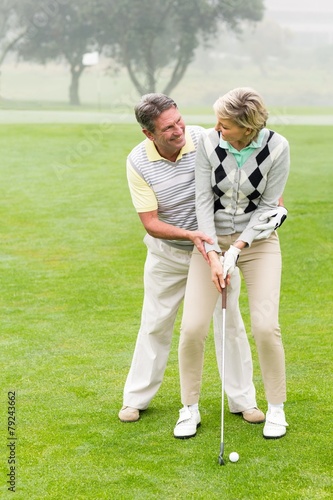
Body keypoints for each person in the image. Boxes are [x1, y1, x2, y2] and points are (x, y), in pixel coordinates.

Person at [118, 93, 273, 430]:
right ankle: (136, 398)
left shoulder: (205, 138)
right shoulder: (137, 162)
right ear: (149, 134)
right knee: (156, 322)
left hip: (214, 256)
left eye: (179, 121)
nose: (179, 130)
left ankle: (243, 399)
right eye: (168, 128)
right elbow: (150, 222)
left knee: (229, 322)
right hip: (168, 255)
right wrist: (191, 237)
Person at [175, 87, 290, 440]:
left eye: (224, 124)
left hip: (258, 244)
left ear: (247, 127)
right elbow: (201, 200)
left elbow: (270, 206)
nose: (216, 128)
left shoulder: (277, 147)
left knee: (265, 326)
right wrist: (212, 253)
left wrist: (238, 248)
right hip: (210, 241)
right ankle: (189, 408)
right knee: (193, 327)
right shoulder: (209, 143)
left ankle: (276, 409)